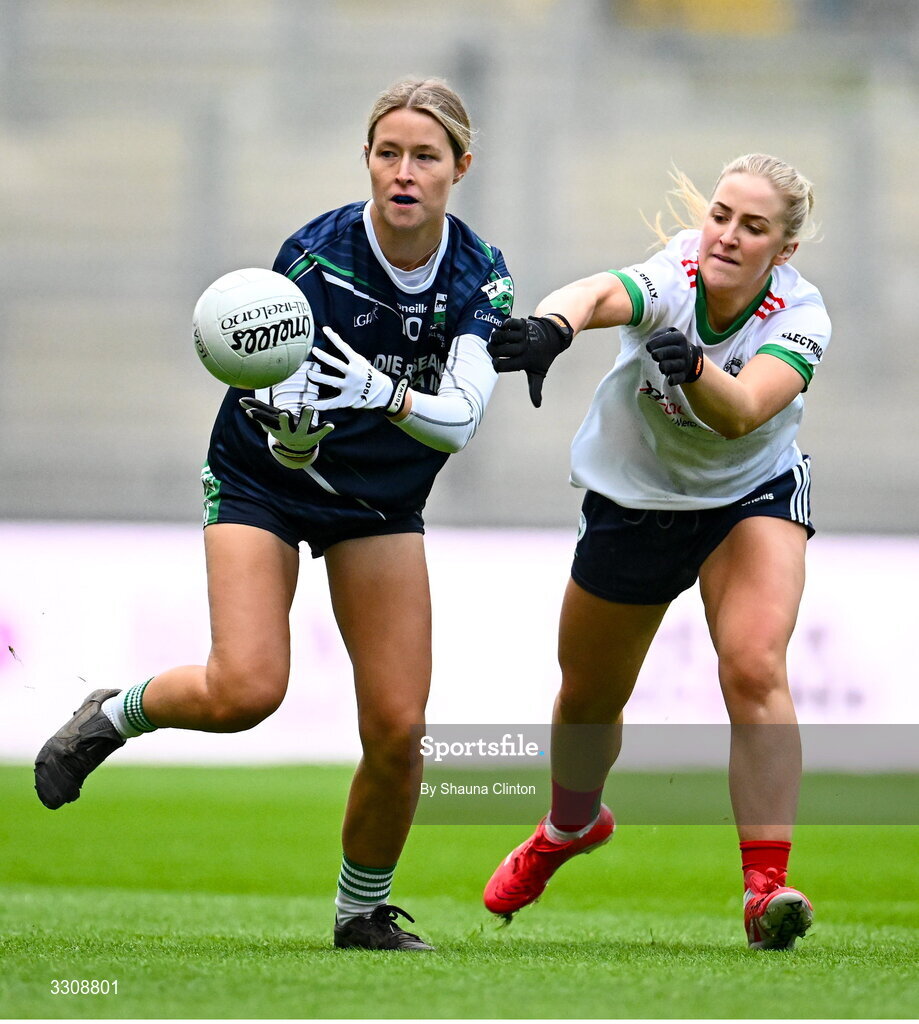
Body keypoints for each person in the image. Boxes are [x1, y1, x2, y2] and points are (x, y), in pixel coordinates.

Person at [34, 77, 514, 952]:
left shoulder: (480, 272)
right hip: (265, 478)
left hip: (380, 499)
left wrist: (378, 389)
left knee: (401, 728)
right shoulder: (316, 255)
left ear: (461, 167)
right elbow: (269, 388)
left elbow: (462, 420)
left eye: (425, 157)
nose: (402, 172)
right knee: (246, 690)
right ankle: (114, 713)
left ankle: (360, 914)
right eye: (387, 153)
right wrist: (290, 434)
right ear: (367, 158)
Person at [482, 154, 829, 951]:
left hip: (749, 496)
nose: (727, 236)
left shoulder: (802, 315)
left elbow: (742, 413)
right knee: (587, 699)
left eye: (753, 227)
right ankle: (568, 826)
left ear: (783, 251)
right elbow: (604, 293)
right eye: (720, 215)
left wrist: (698, 367)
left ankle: (764, 889)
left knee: (753, 666)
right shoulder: (674, 271)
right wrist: (551, 326)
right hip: (634, 503)